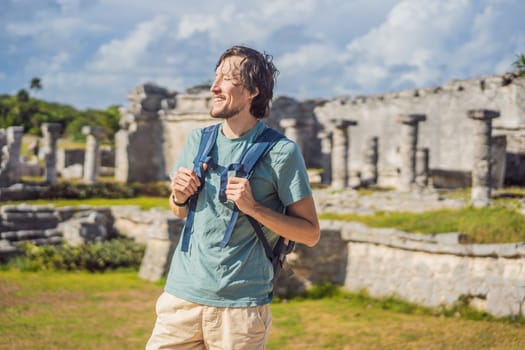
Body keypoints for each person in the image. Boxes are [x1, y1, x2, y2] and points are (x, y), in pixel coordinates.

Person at [146, 45, 320, 349]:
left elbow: (310, 233)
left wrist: (253, 208)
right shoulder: (197, 141)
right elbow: (180, 212)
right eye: (215, 77)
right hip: (180, 299)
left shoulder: (281, 152)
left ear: (253, 90)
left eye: (227, 79)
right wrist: (178, 196)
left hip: (240, 309)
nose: (214, 87)